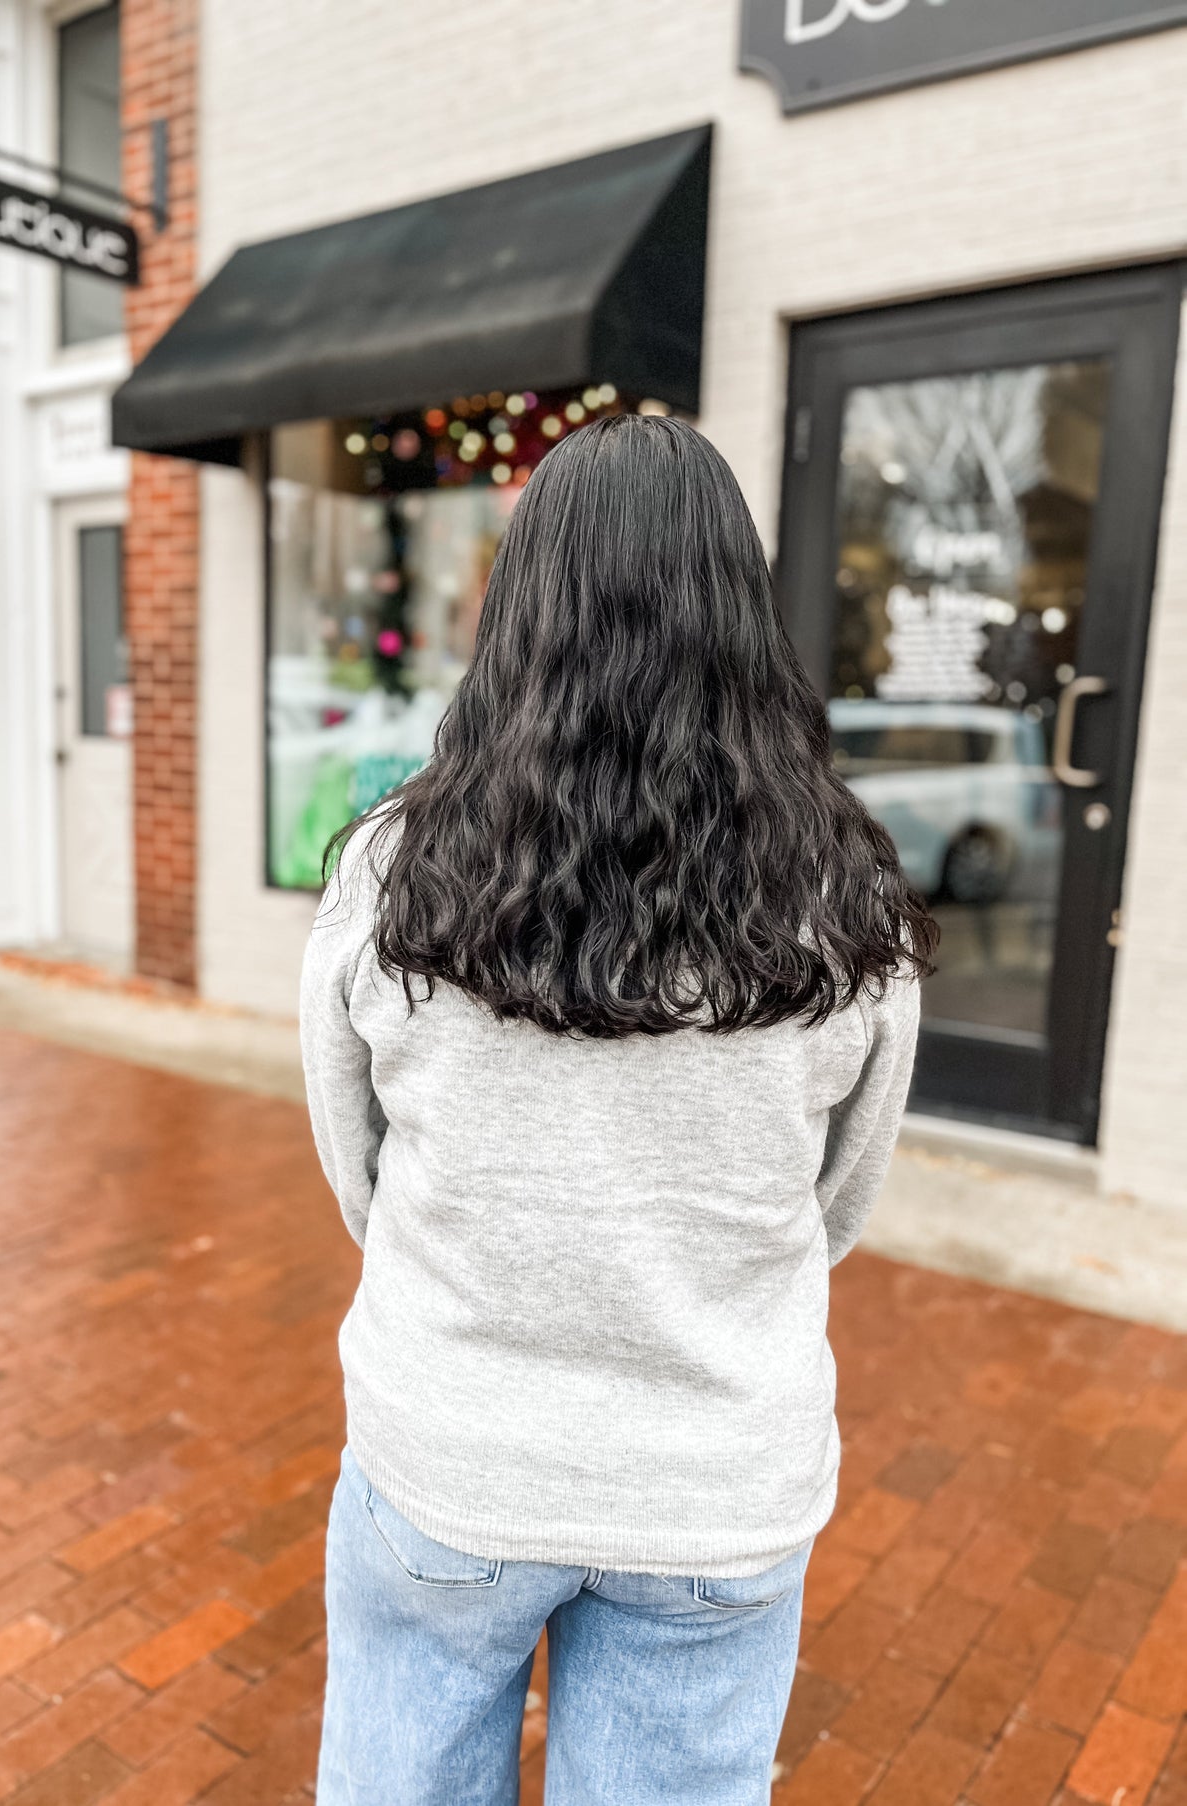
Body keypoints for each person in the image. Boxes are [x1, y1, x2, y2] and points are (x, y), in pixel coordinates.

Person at [299, 412, 934, 1805]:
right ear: (738, 609)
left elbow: (358, 1167)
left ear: (521, 602)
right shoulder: (849, 899)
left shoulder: (394, 867)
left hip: (447, 1454)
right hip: (714, 1482)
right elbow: (836, 1202)